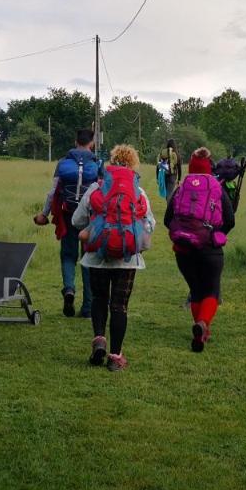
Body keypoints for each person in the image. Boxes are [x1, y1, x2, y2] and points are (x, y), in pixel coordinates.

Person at [71, 144, 156, 372]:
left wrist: (96, 226)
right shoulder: (138, 192)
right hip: (127, 258)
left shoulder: (96, 188)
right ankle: (115, 356)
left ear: (112, 162)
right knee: (120, 306)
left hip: (96, 256)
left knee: (99, 299)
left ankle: (99, 338)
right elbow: (150, 224)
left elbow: (76, 221)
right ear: (133, 165)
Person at [164, 147, 235, 353]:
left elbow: (168, 220)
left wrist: (184, 233)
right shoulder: (216, 187)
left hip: (183, 250)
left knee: (196, 290)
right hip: (209, 249)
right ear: (209, 166)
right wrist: (215, 234)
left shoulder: (181, 187)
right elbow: (230, 219)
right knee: (211, 289)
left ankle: (202, 331)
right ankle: (203, 324)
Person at [34, 129, 101, 317]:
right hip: (90, 217)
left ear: (75, 141)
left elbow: (53, 192)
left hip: (67, 214)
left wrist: (44, 214)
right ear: (92, 143)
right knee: (88, 257)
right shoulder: (97, 163)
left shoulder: (63, 163)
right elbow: (101, 191)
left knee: (68, 256)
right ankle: (88, 307)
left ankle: (69, 289)